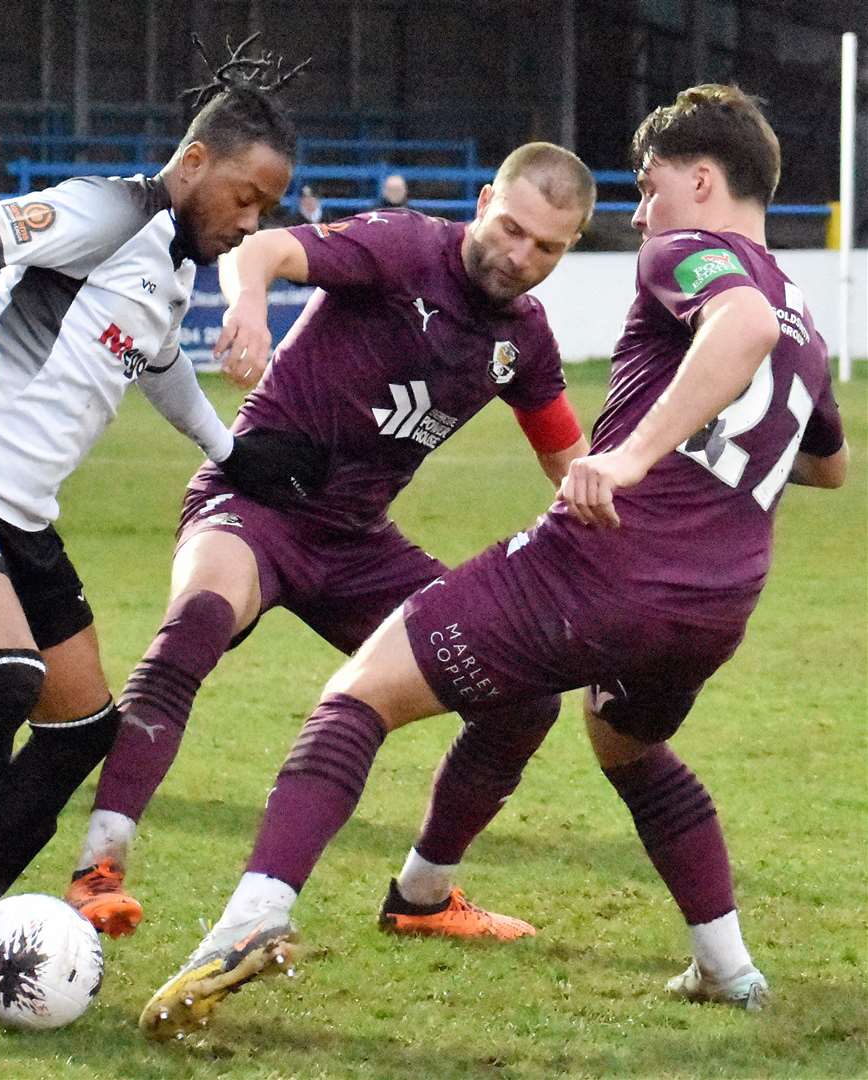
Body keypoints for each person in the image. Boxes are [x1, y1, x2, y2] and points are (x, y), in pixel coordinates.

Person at [139, 84, 848, 1038]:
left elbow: (737, 329)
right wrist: (708, 444)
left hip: (602, 569)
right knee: (628, 746)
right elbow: (827, 463)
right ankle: (726, 967)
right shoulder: (802, 308)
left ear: (702, 178)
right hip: (720, 603)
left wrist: (632, 456)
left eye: (648, 189)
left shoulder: (686, 252)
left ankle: (251, 917)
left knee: (358, 696)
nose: (641, 214)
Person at [0, 33, 309, 1011]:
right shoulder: (111, 208)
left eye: (265, 209)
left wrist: (230, 453)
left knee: (83, 723)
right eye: (244, 197)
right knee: (8, 675)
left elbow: (155, 362)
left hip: (21, 516)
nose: (249, 221)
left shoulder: (175, 261)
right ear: (193, 163)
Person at [64, 141, 594, 939]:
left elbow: (569, 462)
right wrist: (247, 303)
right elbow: (267, 245)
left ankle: (422, 897)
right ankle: (97, 869)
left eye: (547, 246)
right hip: (256, 502)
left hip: (355, 545)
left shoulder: (524, 337)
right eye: (512, 228)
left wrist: (637, 530)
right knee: (199, 620)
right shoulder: (405, 246)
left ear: (570, 247)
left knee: (523, 695)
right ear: (485, 201)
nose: (521, 256)